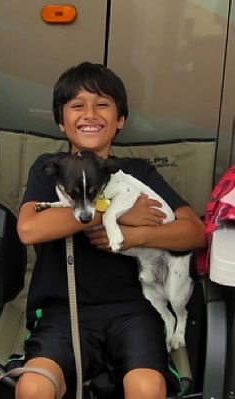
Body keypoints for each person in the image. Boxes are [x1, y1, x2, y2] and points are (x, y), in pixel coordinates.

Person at [15, 62, 206, 399]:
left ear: (120, 120)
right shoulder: (51, 169)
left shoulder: (137, 173)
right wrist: (114, 212)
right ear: (61, 121)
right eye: (77, 106)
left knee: (147, 387)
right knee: (33, 386)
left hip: (135, 309)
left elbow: (193, 232)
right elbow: (29, 229)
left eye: (102, 104)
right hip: (64, 309)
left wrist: (136, 235)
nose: (90, 113)